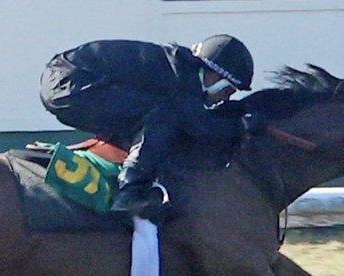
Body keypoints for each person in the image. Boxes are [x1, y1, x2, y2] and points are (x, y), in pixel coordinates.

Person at [39, 34, 254, 222]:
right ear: (215, 76)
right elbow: (199, 126)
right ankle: (130, 192)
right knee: (164, 115)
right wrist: (245, 125)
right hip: (69, 82)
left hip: (66, 79)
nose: (224, 99)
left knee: (154, 115)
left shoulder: (180, 69)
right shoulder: (183, 78)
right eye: (228, 91)